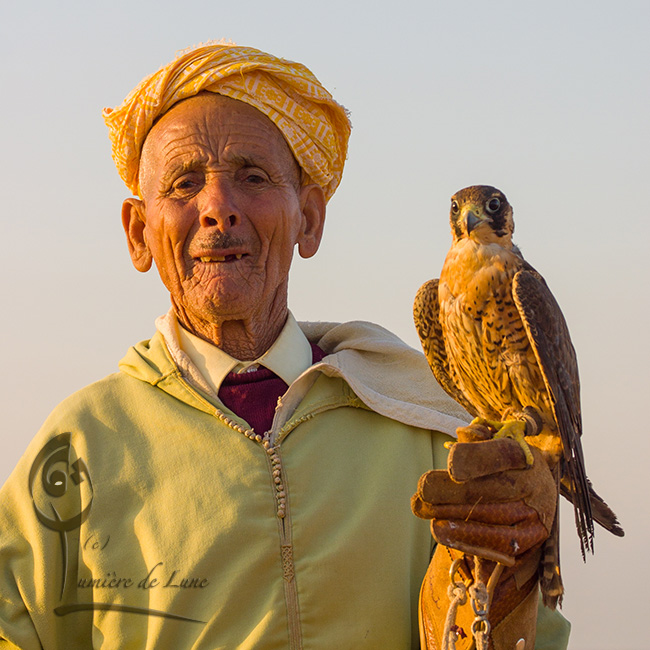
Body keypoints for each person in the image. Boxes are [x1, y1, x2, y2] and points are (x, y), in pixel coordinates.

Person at [0, 43, 570, 649]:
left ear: (310, 218)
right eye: (185, 184)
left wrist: (506, 598)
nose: (219, 208)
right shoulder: (78, 449)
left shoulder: (434, 427)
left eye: (253, 177)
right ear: (139, 233)